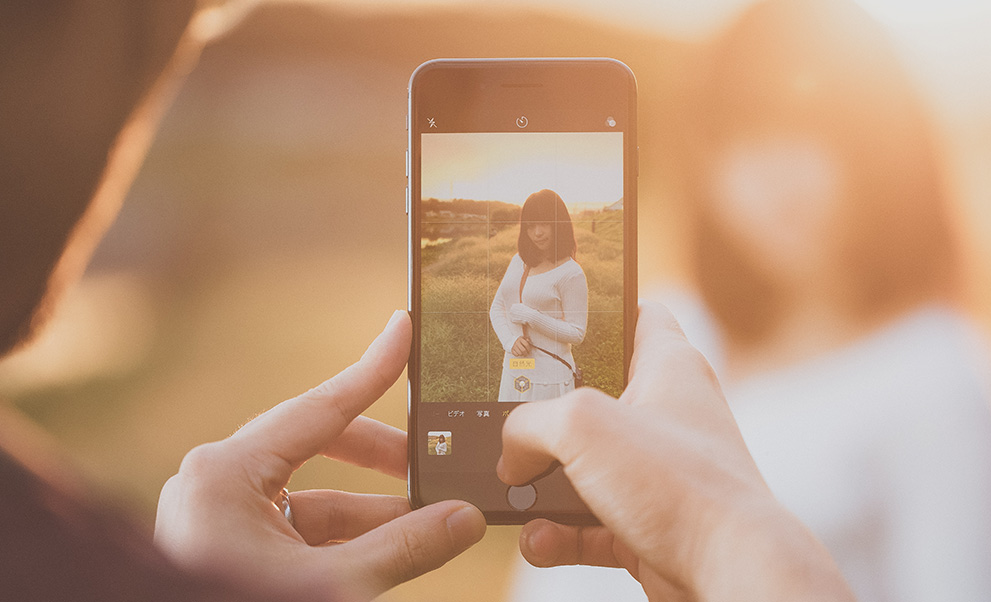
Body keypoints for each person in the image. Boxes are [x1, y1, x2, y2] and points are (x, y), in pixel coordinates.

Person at [0, 3, 857, 601]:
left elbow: (561, 321)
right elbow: (496, 316)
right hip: (525, 374)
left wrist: (186, 586)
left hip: (551, 375)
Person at [509, 1, 991, 601]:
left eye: (815, 129)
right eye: (741, 135)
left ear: (886, 142)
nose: (777, 174)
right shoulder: (663, 320)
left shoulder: (941, 377)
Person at [490, 189, 588, 401]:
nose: (537, 233)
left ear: (558, 223)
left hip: (549, 380)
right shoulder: (519, 260)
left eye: (544, 223)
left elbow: (577, 333)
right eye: (531, 225)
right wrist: (509, 341)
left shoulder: (571, 273)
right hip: (514, 372)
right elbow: (497, 307)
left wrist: (531, 316)